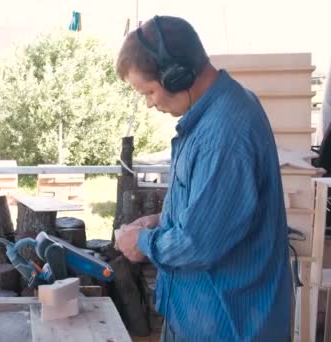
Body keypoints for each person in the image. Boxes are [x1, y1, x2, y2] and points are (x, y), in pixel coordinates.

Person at [114, 15, 291, 341]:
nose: (150, 104)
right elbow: (211, 211)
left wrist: (139, 242)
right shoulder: (214, 114)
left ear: (177, 75)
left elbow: (197, 244)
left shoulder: (223, 135)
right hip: (199, 318)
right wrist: (160, 219)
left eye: (149, 92)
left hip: (228, 325)